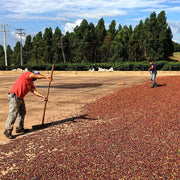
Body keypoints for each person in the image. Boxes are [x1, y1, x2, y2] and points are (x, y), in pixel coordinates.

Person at [4, 70, 51, 139]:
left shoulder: (31, 83)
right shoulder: (26, 75)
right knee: (13, 113)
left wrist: (43, 97)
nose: (36, 79)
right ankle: (8, 130)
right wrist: (46, 77)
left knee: (22, 112)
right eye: (36, 77)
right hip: (14, 96)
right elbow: (33, 75)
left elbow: (34, 91)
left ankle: (19, 128)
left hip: (20, 98)